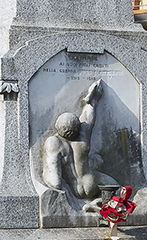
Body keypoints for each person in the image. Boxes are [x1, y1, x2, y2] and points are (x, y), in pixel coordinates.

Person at [40, 79, 114, 208]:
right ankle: (98, 203)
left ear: (57, 127)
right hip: (92, 181)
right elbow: (88, 116)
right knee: (117, 189)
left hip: (75, 188)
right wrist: (92, 101)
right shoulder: (82, 135)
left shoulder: (54, 143)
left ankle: (91, 205)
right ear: (78, 127)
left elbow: (54, 181)